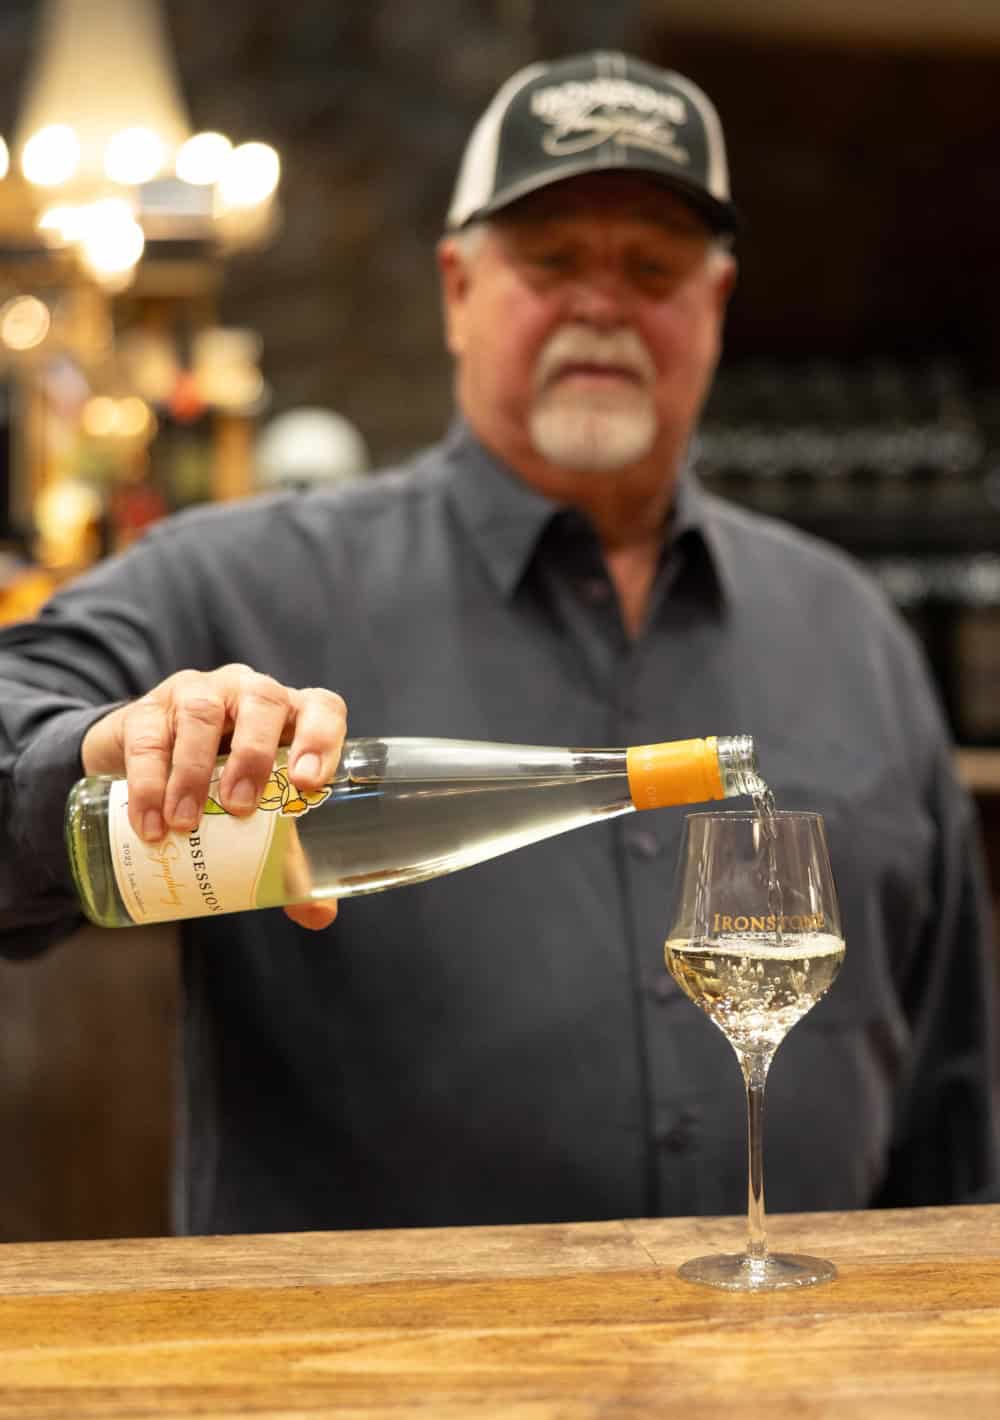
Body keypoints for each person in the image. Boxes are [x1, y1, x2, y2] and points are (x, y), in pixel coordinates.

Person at [0, 52, 995, 1233]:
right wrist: (111, 747)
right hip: (370, 1394)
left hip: (806, 1388)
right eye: (552, 257)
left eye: (653, 265)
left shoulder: (849, 628)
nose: (601, 302)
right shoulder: (241, 581)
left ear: (716, 307)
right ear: (457, 286)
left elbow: (951, 1088)